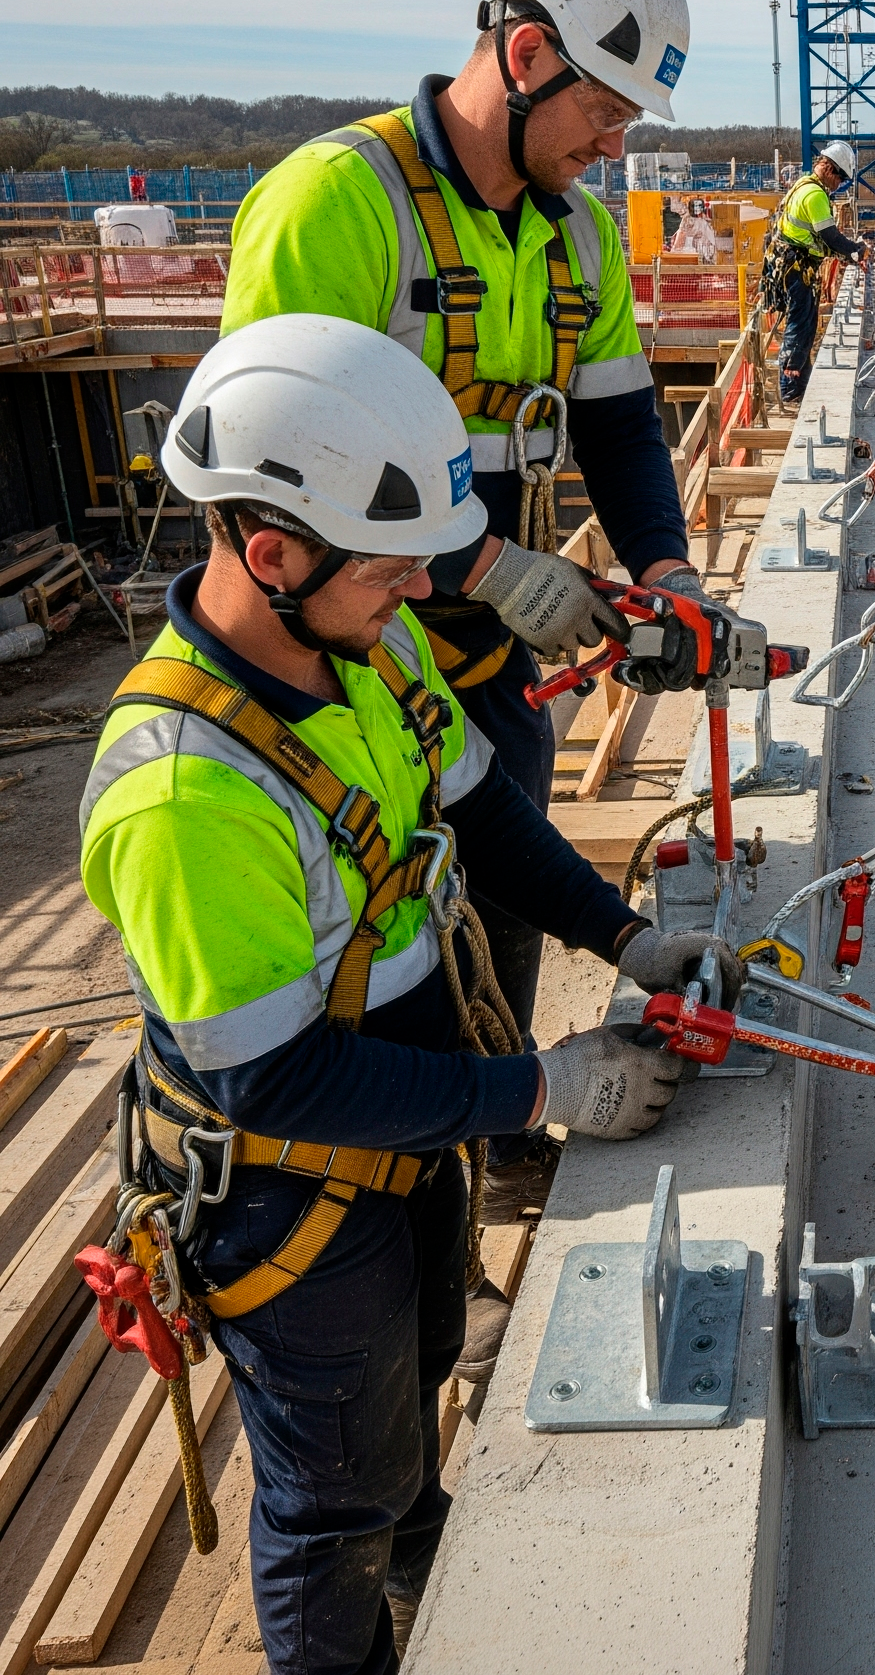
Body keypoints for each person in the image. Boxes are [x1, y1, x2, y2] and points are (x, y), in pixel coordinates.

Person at [79, 318, 736, 1675]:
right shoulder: (185, 793)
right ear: (273, 552)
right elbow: (278, 1080)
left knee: (417, 1383)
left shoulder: (367, 649)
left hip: (407, 1132)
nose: (420, 589)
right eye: (391, 566)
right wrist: (542, 1089)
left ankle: (428, 1565)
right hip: (292, 1188)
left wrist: (624, 937)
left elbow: (481, 812)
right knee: (330, 1503)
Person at [221, 0, 731, 1223]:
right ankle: (379, 1194)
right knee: (373, 921)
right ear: (523, 55)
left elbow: (620, 424)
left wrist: (664, 573)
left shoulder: (574, 239)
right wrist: (482, 569)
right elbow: (278, 463)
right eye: (604, 112)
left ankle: (500, 1156)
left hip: (484, 653)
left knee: (495, 880)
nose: (613, 146)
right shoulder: (339, 203)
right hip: (341, 645)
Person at [766, 138, 871, 405]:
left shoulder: (805, 186)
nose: (840, 184)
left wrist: (850, 252)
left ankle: (800, 385)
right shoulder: (814, 196)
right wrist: (855, 251)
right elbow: (830, 237)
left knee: (806, 325)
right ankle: (791, 391)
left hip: (795, 265)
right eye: (841, 178)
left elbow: (823, 242)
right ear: (829, 169)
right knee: (800, 327)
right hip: (796, 267)